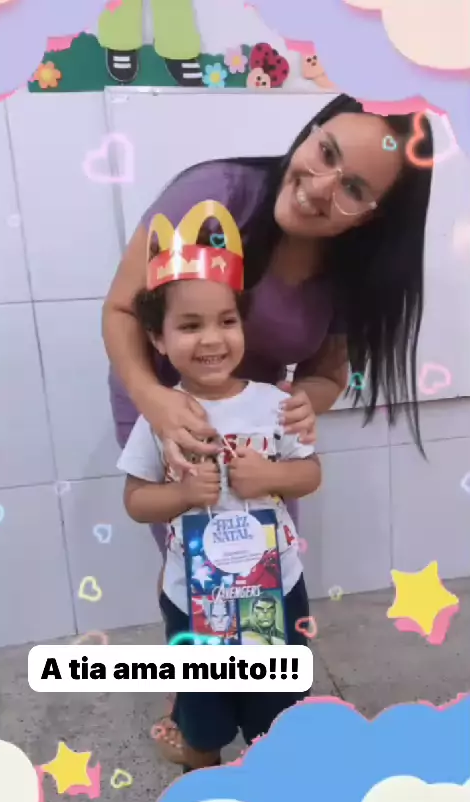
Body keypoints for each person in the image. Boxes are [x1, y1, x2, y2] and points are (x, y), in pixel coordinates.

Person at [102, 92, 433, 753]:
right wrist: (154, 400)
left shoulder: (349, 269)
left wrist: (306, 398)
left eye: (354, 189)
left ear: (375, 215)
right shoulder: (214, 198)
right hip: (167, 402)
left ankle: (263, 714)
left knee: (260, 569)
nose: (320, 187)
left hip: (259, 431)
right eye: (325, 151)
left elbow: (328, 374)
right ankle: (200, 703)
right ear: (310, 130)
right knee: (190, 557)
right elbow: (122, 310)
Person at [116, 201, 322, 772]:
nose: (212, 339)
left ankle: (275, 786)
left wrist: (272, 476)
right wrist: (183, 496)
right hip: (194, 598)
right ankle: (203, 797)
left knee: (277, 718)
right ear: (158, 339)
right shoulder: (163, 416)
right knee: (203, 720)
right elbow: (136, 501)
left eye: (226, 321)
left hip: (275, 592)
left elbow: (311, 472)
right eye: (190, 325)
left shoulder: (275, 404)